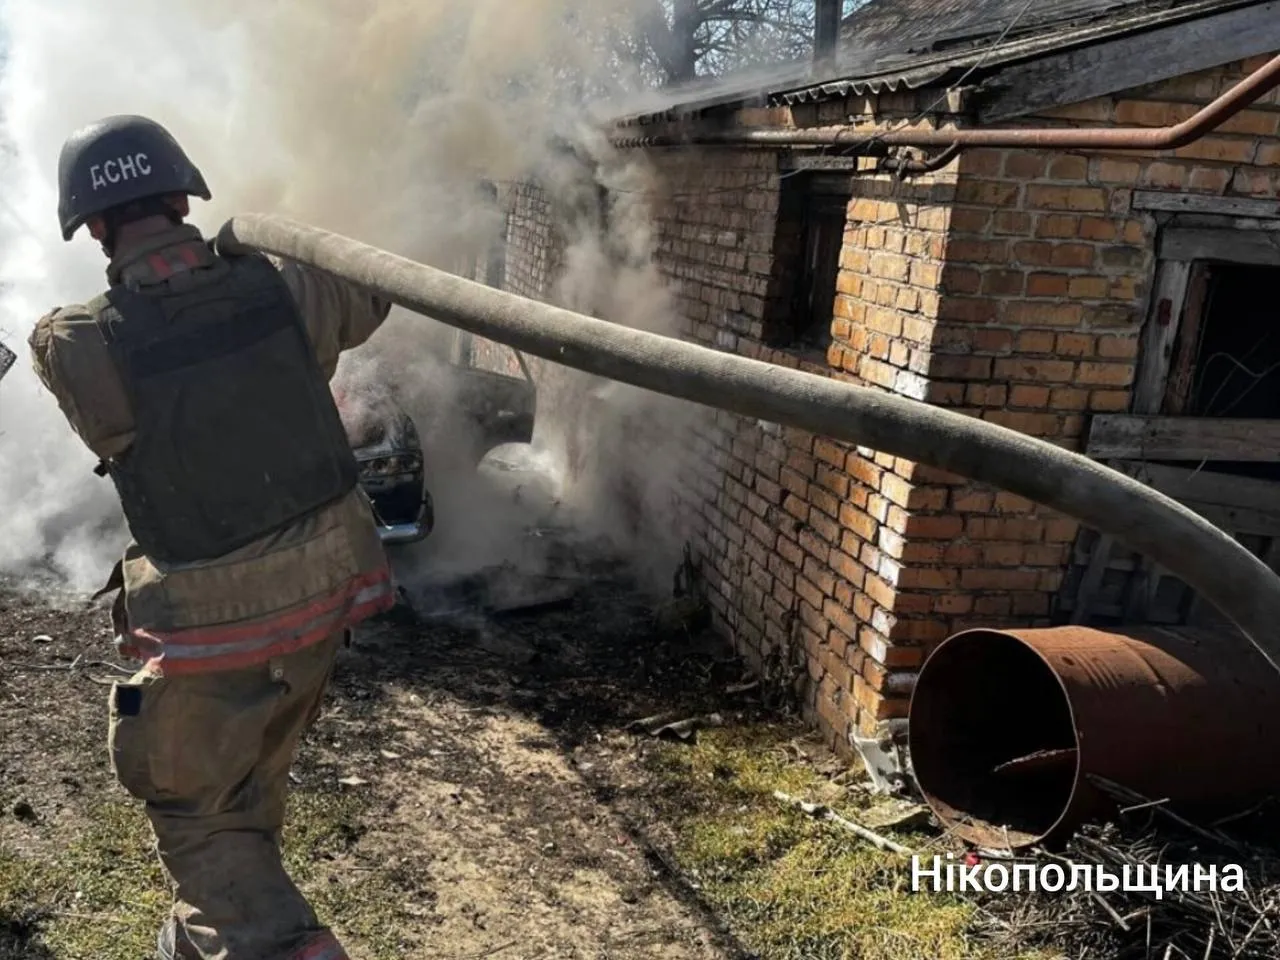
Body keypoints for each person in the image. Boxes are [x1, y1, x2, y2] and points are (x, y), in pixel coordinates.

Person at [29, 114, 397, 960]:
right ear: (184, 192)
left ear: (91, 226)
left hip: (214, 622)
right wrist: (278, 265)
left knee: (200, 816)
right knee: (248, 781)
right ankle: (194, 943)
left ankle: (276, 943)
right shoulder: (286, 287)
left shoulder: (77, 343)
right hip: (330, 593)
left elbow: (107, 417)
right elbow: (370, 289)